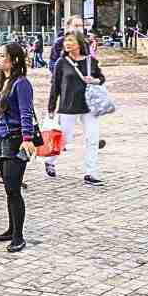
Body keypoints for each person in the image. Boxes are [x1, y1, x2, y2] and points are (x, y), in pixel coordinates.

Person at [0, 42, 37, 253]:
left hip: (14, 141)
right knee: (8, 189)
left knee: (14, 189)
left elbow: (25, 113)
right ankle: (11, 229)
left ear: (15, 59)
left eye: (2, 56)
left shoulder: (21, 84)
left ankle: (19, 236)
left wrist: (27, 138)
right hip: (1, 140)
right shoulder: (6, 82)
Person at [45, 31, 106, 186]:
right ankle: (50, 161)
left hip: (89, 106)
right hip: (68, 105)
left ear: (79, 43)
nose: (67, 43)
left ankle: (90, 173)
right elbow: (55, 86)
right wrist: (51, 107)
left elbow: (102, 79)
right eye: (66, 41)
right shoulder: (61, 63)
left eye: (71, 40)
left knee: (92, 139)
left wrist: (94, 80)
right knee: (64, 139)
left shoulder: (90, 61)